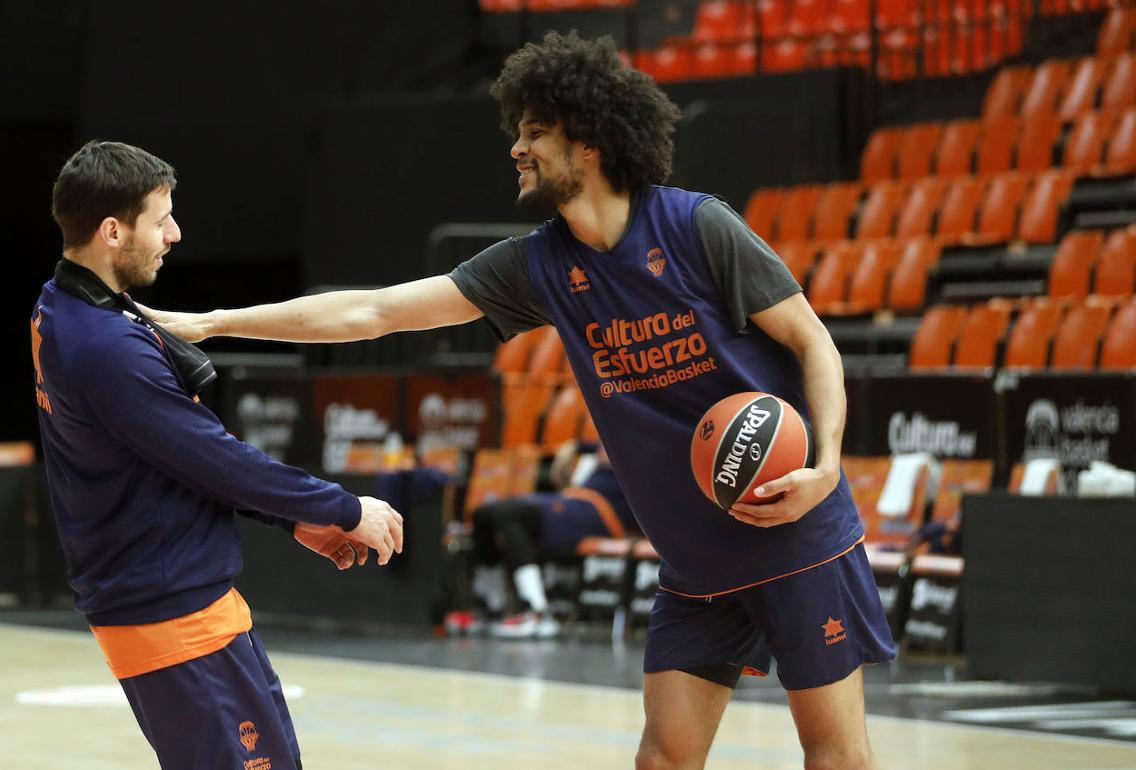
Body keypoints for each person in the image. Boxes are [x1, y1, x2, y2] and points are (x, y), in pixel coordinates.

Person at [146, 33, 895, 770]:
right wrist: (213, 322)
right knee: (665, 759)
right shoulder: (540, 264)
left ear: (592, 142)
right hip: (696, 561)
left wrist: (827, 465)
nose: (517, 148)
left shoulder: (699, 227)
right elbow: (374, 311)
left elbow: (813, 343)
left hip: (791, 535)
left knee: (834, 757)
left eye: (536, 132)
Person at [31, 140, 404, 770]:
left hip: (180, 599)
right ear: (112, 230)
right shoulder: (104, 347)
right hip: (170, 612)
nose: (175, 234)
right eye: (161, 219)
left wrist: (292, 519)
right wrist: (341, 508)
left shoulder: (60, 304)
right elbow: (213, 458)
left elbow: (175, 458)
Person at [461, 439, 637, 639]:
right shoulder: (616, 434)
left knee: (508, 513)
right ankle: (492, 604)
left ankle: (537, 612)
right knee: (483, 513)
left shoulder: (646, 443)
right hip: (572, 501)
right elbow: (597, 444)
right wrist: (574, 446)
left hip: (600, 513)